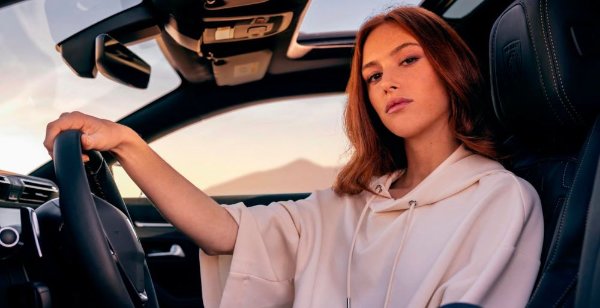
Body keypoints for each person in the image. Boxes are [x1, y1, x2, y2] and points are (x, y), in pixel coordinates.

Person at [44, 6, 543, 308]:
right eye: (371, 75)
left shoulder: (499, 198)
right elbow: (225, 232)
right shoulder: (352, 203)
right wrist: (128, 144)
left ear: (450, 67)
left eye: (408, 59)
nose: (387, 81)